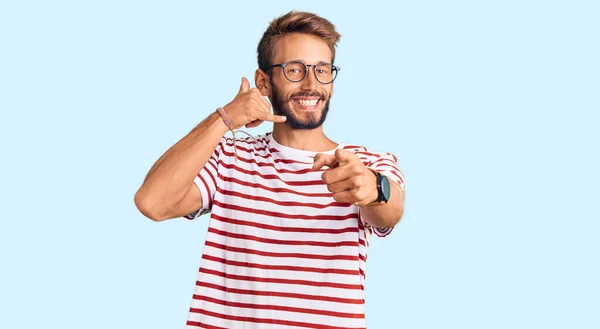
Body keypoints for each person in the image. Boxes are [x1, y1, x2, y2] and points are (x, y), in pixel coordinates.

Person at [134, 10, 405, 329]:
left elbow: (390, 210)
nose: (311, 84)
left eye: (322, 70)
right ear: (264, 81)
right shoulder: (230, 156)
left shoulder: (364, 162)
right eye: (294, 70)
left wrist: (373, 189)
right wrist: (224, 118)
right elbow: (153, 203)